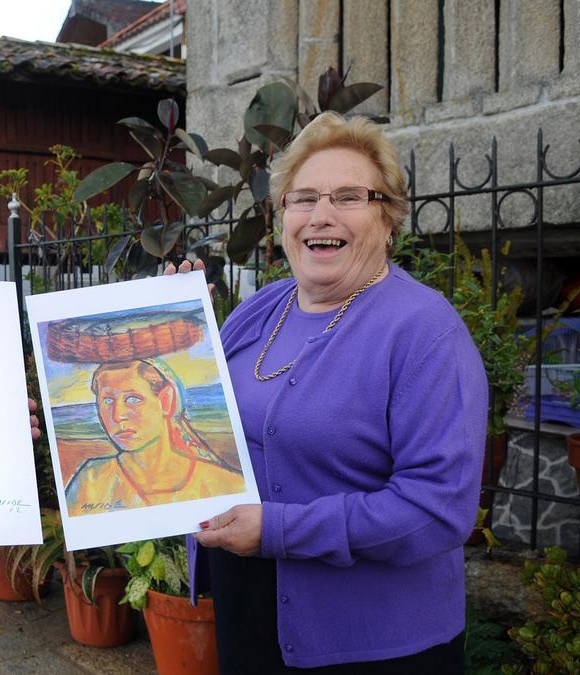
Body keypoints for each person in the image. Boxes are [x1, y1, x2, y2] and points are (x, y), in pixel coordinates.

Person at [179, 112, 487, 672]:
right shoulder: (255, 313)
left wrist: (277, 530)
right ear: (283, 218)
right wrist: (166, 336)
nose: (322, 215)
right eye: (304, 198)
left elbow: (437, 509)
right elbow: (194, 425)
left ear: (388, 218)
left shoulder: (424, 331)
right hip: (248, 614)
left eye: (349, 196)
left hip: (376, 643)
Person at [65, 359, 243, 513]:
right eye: (107, 401)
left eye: (133, 399)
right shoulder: (91, 480)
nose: (117, 415)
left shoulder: (225, 483)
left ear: (166, 401)